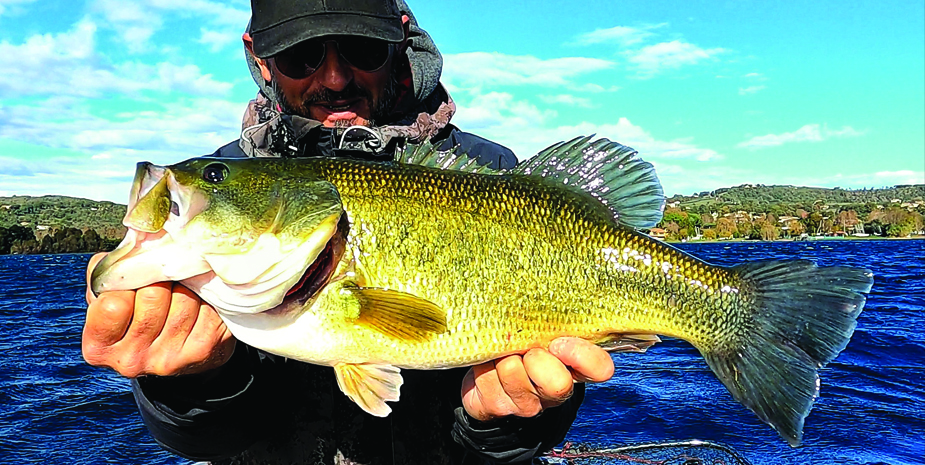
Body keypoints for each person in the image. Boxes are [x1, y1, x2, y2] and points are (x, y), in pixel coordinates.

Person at [82, 1, 616, 463]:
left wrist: (504, 425)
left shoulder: (489, 172)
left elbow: (521, 427)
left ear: (402, 40)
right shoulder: (225, 199)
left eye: (363, 50)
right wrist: (192, 382)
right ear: (260, 59)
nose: (334, 78)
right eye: (300, 56)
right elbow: (205, 440)